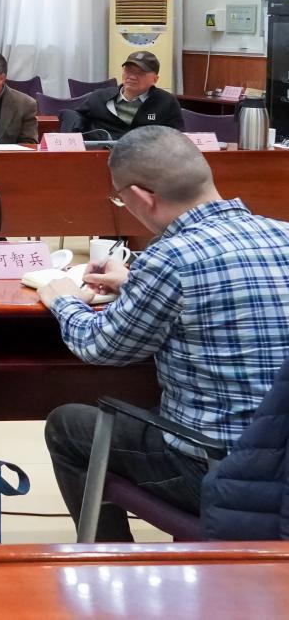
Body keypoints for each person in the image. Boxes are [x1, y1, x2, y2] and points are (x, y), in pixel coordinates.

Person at [37, 126, 289, 542]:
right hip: (281, 471)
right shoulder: (282, 233)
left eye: (121, 198)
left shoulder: (170, 258)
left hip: (218, 472)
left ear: (141, 196)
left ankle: (109, 565)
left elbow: (101, 346)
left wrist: (63, 299)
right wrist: (136, 280)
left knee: (68, 427)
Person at [60, 51, 184, 138]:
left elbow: (177, 137)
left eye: (140, 73)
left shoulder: (167, 102)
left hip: (146, 159)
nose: (132, 76)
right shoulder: (99, 97)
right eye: (128, 70)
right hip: (102, 156)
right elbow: (74, 115)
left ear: (155, 79)